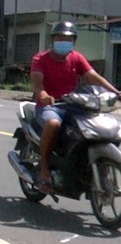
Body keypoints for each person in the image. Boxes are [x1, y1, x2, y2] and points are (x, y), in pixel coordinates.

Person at [31, 21, 119, 193]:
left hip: (74, 104)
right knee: (53, 125)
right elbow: (37, 83)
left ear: (73, 41)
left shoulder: (76, 58)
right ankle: (43, 169)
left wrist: (116, 92)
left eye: (69, 38)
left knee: (99, 126)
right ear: (53, 39)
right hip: (52, 106)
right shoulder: (40, 59)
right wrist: (43, 95)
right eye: (61, 37)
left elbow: (92, 77)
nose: (64, 41)